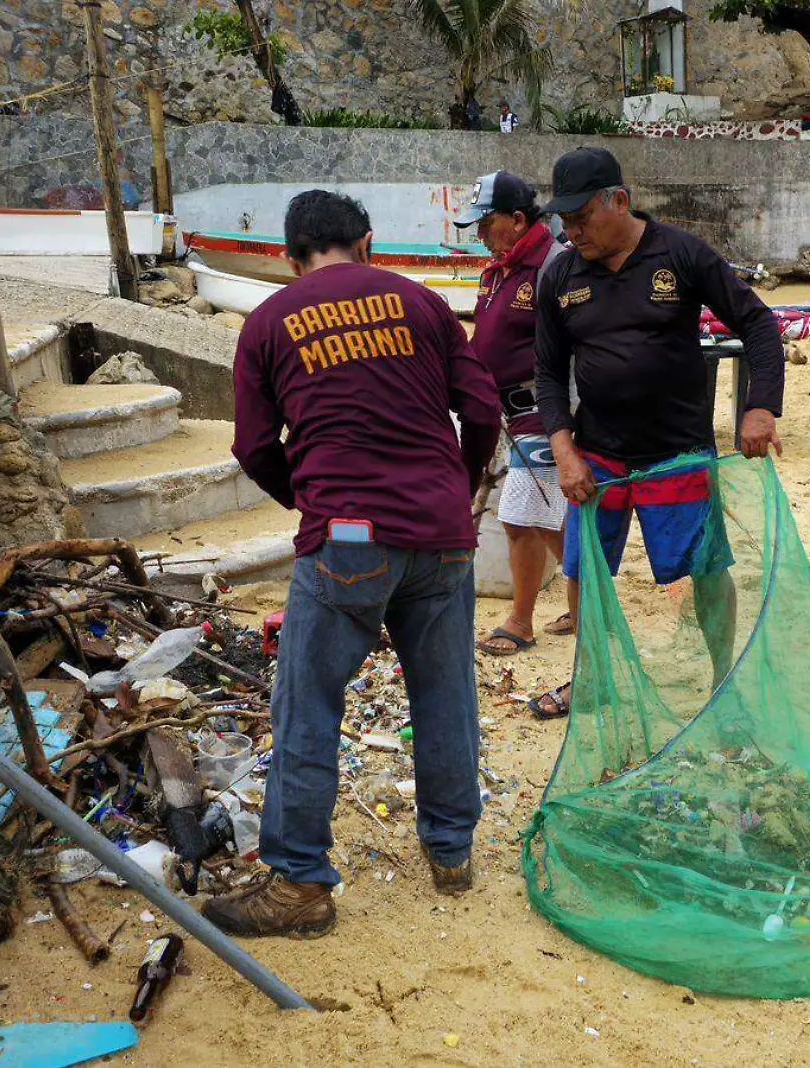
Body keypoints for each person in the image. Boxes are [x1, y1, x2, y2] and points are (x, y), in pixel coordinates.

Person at [209, 190, 502, 937]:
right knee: (445, 695)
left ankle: (301, 882)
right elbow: (484, 411)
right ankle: (451, 853)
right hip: (440, 535)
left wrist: (305, 500)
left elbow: (251, 445)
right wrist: (455, 492)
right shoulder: (423, 303)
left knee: (308, 704)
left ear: (288, 255)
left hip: (346, 539)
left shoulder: (270, 321)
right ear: (366, 244)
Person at [527, 146, 785, 719]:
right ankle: (589, 677)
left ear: (619, 201)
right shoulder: (561, 276)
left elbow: (759, 325)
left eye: (581, 218)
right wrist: (564, 451)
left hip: (680, 455)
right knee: (585, 569)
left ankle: (724, 684)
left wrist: (760, 407)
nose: (571, 234)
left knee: (707, 571)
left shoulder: (682, 254)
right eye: (563, 223)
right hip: (598, 459)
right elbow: (547, 373)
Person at [453, 171, 570, 656]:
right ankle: (590, 601)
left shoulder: (555, 265)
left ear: (518, 220)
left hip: (542, 411)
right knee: (550, 519)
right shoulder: (498, 269)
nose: (480, 236)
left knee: (524, 516)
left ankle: (521, 622)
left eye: (486, 224)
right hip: (505, 412)